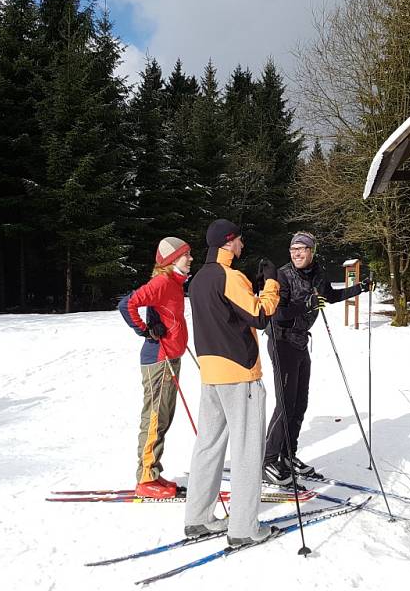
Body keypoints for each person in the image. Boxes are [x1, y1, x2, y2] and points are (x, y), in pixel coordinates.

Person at [183, 218, 281, 545]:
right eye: (239, 240)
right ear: (228, 242)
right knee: (247, 449)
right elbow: (260, 315)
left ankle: (198, 518)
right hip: (240, 374)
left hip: (211, 373)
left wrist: (250, 284)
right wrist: (271, 282)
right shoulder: (230, 276)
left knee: (208, 445)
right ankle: (244, 529)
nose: (242, 245)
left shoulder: (198, 279)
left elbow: (228, 311)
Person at [262, 231, 372, 485]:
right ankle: (268, 461)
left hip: (300, 341)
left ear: (312, 251)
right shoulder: (282, 275)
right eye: (293, 249)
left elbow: (329, 297)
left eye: (302, 249)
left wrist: (360, 288)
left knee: (300, 402)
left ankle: (288, 456)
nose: (297, 253)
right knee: (285, 403)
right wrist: (307, 304)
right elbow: (278, 315)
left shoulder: (317, 273)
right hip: (281, 341)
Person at [119, 237, 193, 499]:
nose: (191, 258)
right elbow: (126, 304)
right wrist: (145, 330)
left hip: (170, 358)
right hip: (159, 360)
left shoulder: (173, 283)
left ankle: (152, 472)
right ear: (172, 259)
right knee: (154, 418)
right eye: (186, 255)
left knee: (163, 418)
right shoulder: (162, 282)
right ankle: (145, 478)